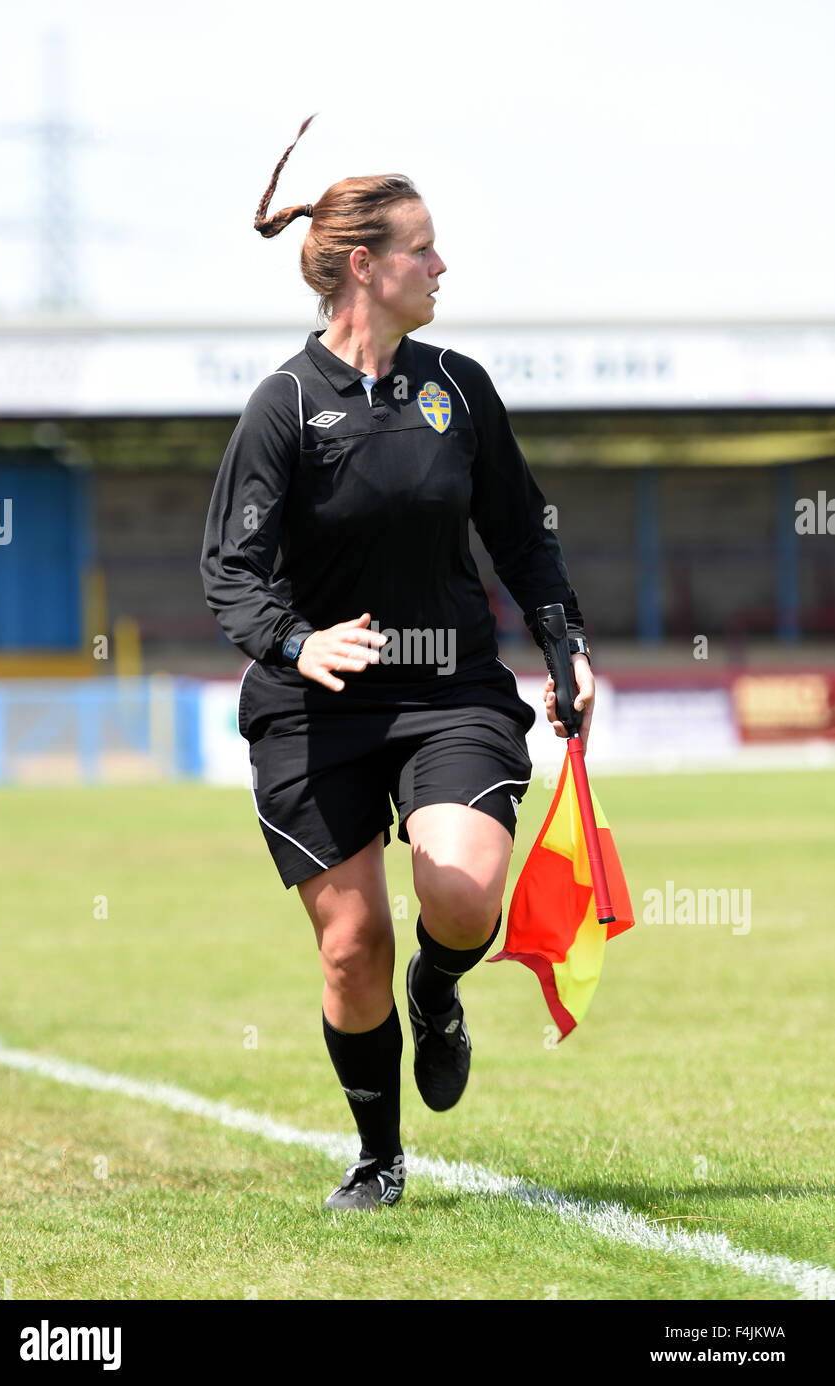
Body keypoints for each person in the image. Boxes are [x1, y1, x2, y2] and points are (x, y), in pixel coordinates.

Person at [200, 115, 594, 1211]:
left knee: (460, 898)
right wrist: (293, 638)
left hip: (447, 688)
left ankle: (441, 989)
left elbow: (522, 532)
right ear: (365, 268)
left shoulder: (457, 388)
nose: (442, 265)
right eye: (424, 248)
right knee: (349, 943)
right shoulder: (282, 405)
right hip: (311, 706)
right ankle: (379, 1157)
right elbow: (231, 568)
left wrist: (563, 645)